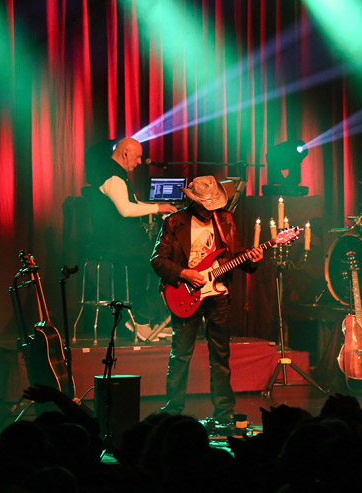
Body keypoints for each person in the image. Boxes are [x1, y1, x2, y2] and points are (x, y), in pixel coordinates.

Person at [151, 175, 263, 428]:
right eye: (206, 205)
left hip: (219, 293)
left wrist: (251, 258)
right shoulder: (175, 222)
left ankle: (224, 412)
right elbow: (157, 260)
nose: (211, 209)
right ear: (194, 201)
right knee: (181, 354)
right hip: (185, 293)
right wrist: (183, 273)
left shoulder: (225, 219)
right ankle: (172, 411)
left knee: (220, 355)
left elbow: (233, 256)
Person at [90, 137, 177, 337]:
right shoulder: (114, 177)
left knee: (159, 268)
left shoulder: (114, 174)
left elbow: (133, 203)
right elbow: (125, 210)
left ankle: (142, 321)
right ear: (125, 153)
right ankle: (141, 317)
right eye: (137, 157)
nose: (139, 162)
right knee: (168, 268)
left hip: (122, 244)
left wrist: (158, 209)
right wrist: (159, 207)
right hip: (121, 246)